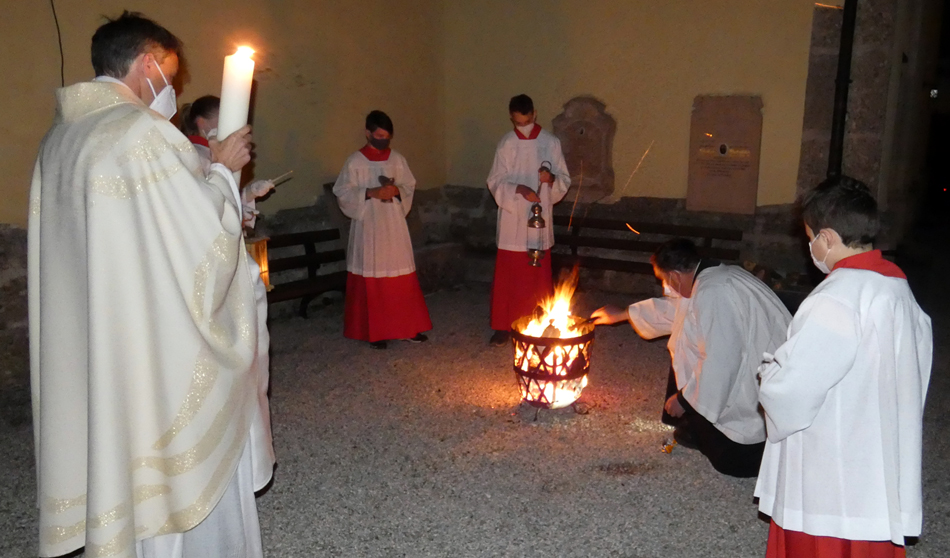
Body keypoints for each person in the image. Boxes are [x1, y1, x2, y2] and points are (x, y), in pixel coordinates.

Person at [28, 12, 274, 558]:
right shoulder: (139, 134)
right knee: (165, 459)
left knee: (113, 436)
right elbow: (200, 238)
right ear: (146, 64)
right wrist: (224, 168)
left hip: (96, 339)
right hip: (154, 347)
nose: (173, 87)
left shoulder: (62, 139)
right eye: (169, 72)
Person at [755, 176, 932, 557]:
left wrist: (769, 374)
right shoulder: (896, 286)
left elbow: (795, 391)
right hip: (873, 452)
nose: (810, 247)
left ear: (829, 237)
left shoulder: (837, 297)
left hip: (831, 467)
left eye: (811, 237)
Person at [591, 239, 791, 477]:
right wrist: (624, 314)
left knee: (730, 462)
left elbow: (722, 360)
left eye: (664, 280)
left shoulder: (713, 292)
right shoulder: (714, 277)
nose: (666, 287)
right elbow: (677, 314)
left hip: (755, 391)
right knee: (680, 344)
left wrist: (684, 400)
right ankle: (696, 421)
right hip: (761, 369)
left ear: (675, 275)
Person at [332, 110, 432, 349]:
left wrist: (397, 191)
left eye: (387, 136)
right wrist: (370, 193)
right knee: (373, 274)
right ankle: (375, 331)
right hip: (369, 225)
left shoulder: (396, 159)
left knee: (399, 274)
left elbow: (409, 184)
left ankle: (405, 327)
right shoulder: (355, 161)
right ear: (368, 133)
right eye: (378, 135)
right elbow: (343, 192)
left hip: (393, 225)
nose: (383, 140)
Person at [486, 94, 570, 345]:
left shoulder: (551, 142)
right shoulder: (506, 143)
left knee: (536, 273)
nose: (522, 128)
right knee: (509, 273)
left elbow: (564, 178)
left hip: (539, 215)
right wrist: (518, 189)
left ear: (534, 114)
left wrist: (551, 179)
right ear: (511, 118)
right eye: (517, 123)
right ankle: (502, 325)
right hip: (513, 217)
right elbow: (495, 180)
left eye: (526, 122)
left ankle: (539, 323)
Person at [180, 95, 275, 228]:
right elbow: (201, 207)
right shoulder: (191, 155)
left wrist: (248, 194)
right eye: (223, 120)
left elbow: (222, 195)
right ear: (201, 122)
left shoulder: (216, 153)